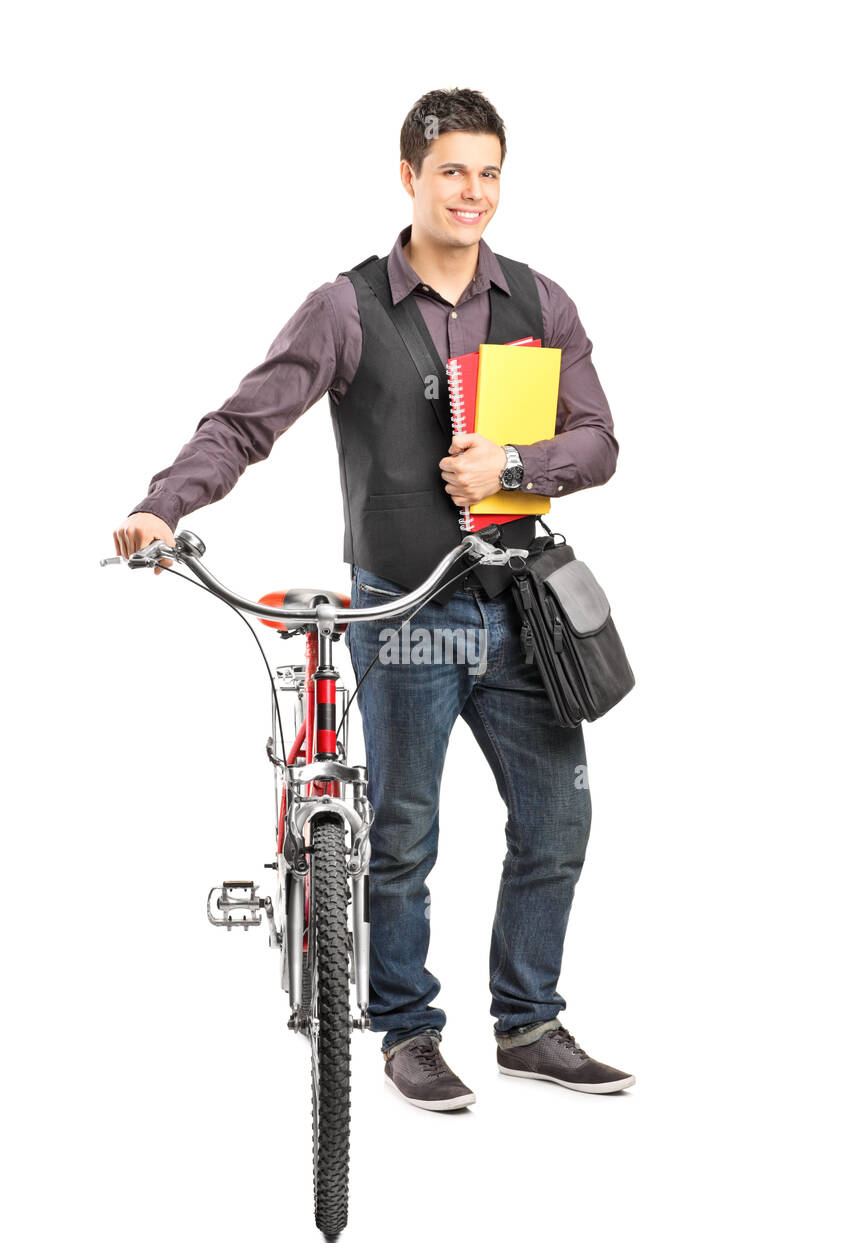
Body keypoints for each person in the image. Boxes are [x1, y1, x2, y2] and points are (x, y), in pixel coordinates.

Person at [114, 87, 635, 1111]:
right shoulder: (346, 307)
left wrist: (516, 462)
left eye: (488, 172)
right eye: (451, 171)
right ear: (408, 176)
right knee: (400, 832)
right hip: (404, 612)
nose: (471, 191)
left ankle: (527, 1021)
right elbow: (244, 422)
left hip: (519, 604)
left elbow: (598, 441)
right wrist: (159, 508)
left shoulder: (540, 300)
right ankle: (407, 1029)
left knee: (555, 822)